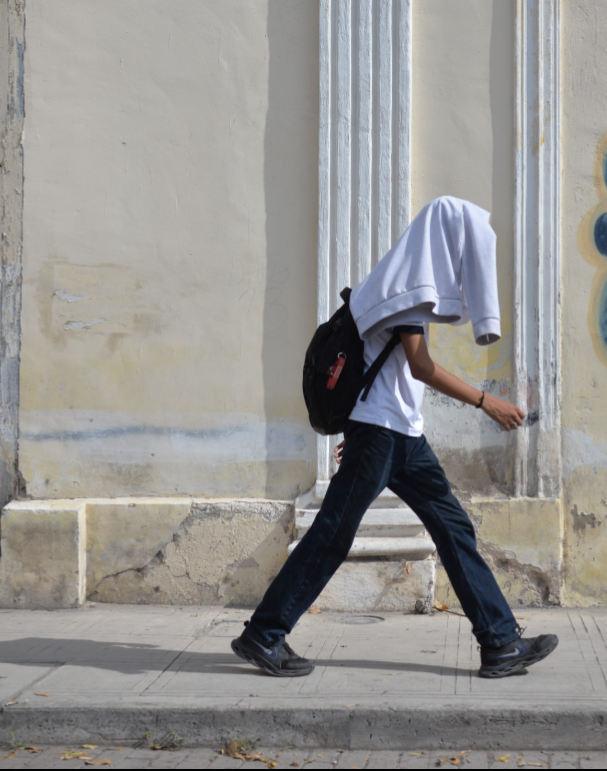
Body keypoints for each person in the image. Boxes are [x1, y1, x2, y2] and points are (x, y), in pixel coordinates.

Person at [231, 196, 559, 679]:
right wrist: (487, 403)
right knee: (333, 534)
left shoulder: (408, 284)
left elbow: (387, 373)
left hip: (401, 436)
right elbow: (420, 366)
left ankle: (500, 643)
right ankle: (264, 633)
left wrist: (364, 432)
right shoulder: (405, 284)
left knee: (453, 528)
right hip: (383, 434)